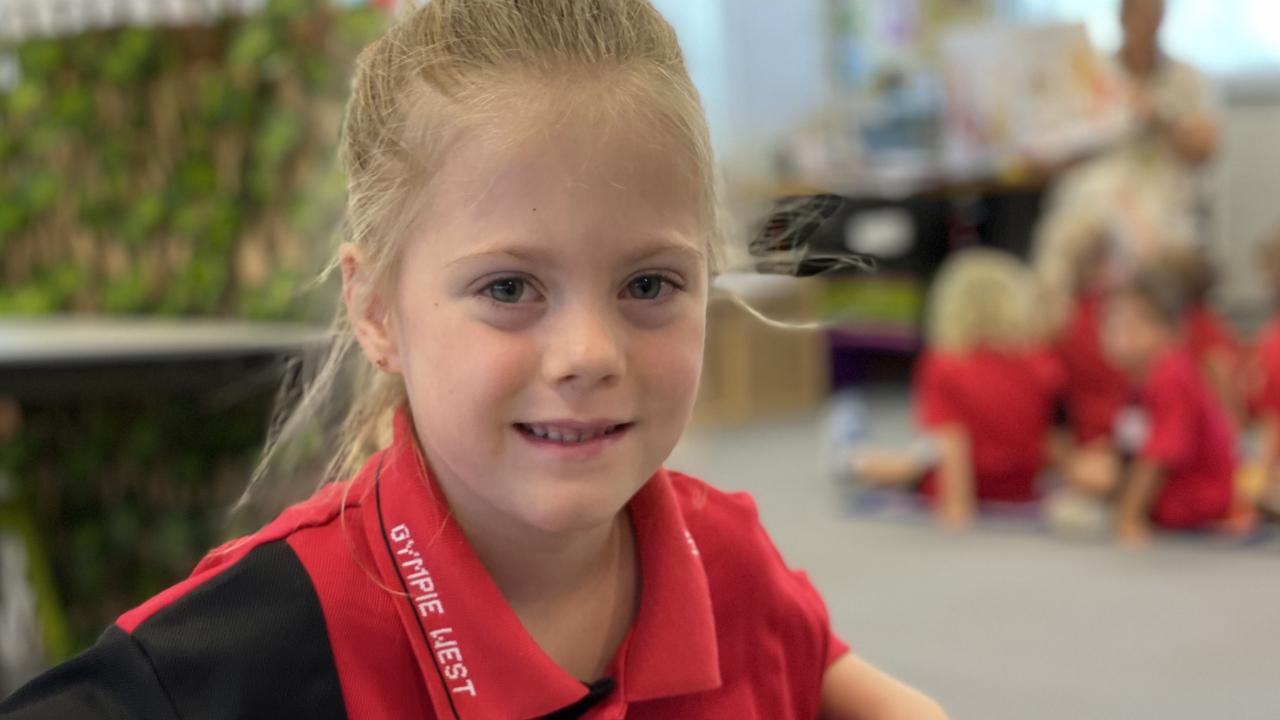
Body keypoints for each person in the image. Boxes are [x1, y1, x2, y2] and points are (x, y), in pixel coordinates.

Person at [0, 2, 945, 718]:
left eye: (650, 285)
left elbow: (840, 681)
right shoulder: (240, 652)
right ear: (376, 311)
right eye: (508, 290)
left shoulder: (722, 556)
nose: (588, 354)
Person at [846, 248, 1063, 530]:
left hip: (965, 482)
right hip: (1020, 487)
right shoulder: (1041, 361)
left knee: (905, 461)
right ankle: (856, 453)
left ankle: (851, 458)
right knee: (917, 455)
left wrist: (956, 512)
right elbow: (1049, 436)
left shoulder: (944, 365)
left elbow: (952, 445)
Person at [1101, 267, 1237, 545]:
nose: (1117, 335)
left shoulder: (1171, 376)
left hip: (1192, 509)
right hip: (1170, 501)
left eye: (1132, 325)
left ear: (1168, 330)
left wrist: (1128, 516)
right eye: (1111, 323)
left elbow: (1160, 455)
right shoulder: (1143, 376)